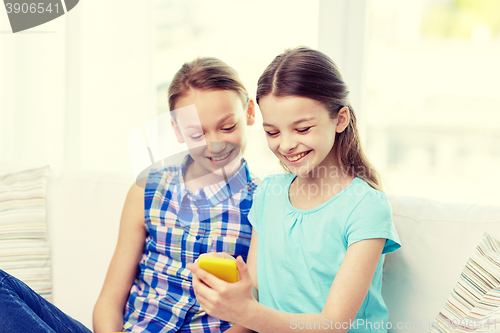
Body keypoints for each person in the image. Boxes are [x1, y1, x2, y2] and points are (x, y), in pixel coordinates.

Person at [0, 57, 259, 333]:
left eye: (227, 127)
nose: (214, 144)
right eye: (196, 134)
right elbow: (110, 301)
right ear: (177, 130)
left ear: (250, 113)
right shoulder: (147, 190)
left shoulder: (264, 203)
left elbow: (252, 314)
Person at [188, 47, 402, 333]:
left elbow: (333, 324)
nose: (285, 145)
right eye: (273, 132)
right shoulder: (269, 194)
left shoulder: (366, 206)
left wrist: (248, 312)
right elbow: (255, 301)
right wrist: (237, 299)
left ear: (340, 119)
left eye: (302, 129)